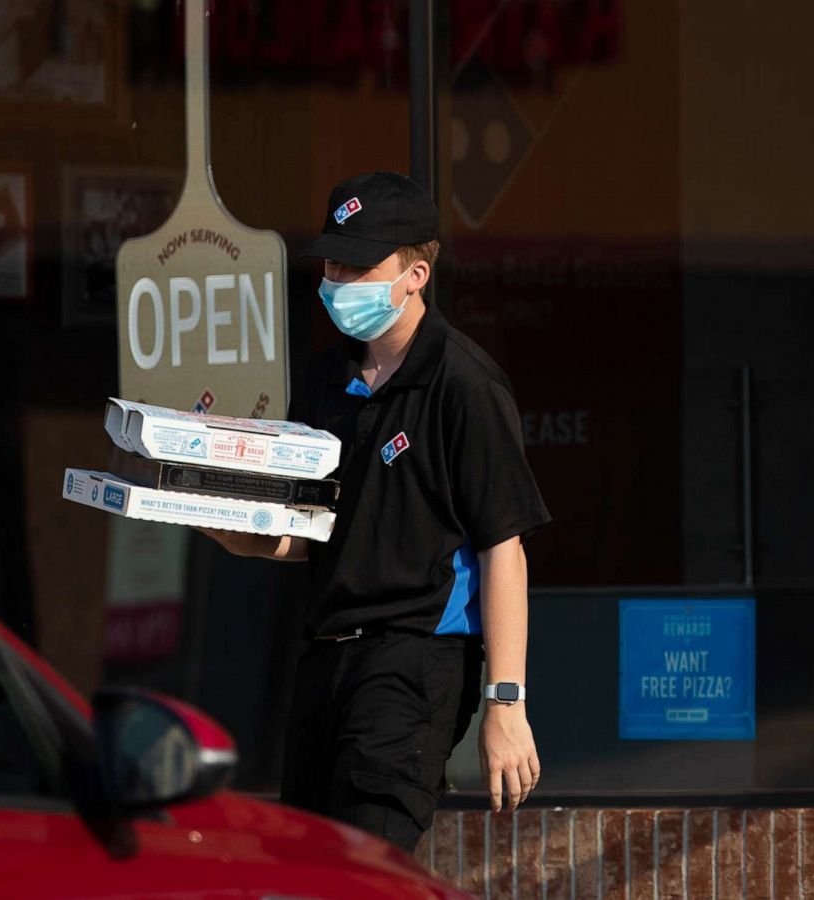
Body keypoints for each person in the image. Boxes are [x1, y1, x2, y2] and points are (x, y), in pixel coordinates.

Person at [200, 171, 550, 853]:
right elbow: (313, 533)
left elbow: (503, 546)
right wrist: (221, 524)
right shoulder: (329, 379)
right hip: (323, 660)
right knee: (312, 869)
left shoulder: (462, 383)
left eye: (359, 264)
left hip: (411, 663)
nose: (338, 279)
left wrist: (506, 703)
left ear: (416, 273)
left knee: (367, 864)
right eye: (332, 262)